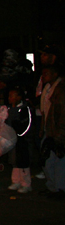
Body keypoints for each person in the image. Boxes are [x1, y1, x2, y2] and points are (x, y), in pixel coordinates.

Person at [40, 64, 65, 199]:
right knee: (48, 160)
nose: (43, 76)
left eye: (46, 73)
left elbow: (61, 113)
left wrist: (60, 133)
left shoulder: (60, 89)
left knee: (58, 160)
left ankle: (59, 188)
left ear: (55, 74)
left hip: (57, 130)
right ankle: (53, 186)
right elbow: (45, 111)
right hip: (49, 129)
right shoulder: (48, 88)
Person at [6, 86, 34, 193]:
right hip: (13, 139)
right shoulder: (9, 109)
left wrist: (20, 133)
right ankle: (16, 181)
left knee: (23, 161)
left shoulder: (25, 109)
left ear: (19, 96)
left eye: (12, 95)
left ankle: (26, 183)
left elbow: (28, 125)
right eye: (9, 96)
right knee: (14, 160)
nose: (10, 98)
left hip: (23, 140)